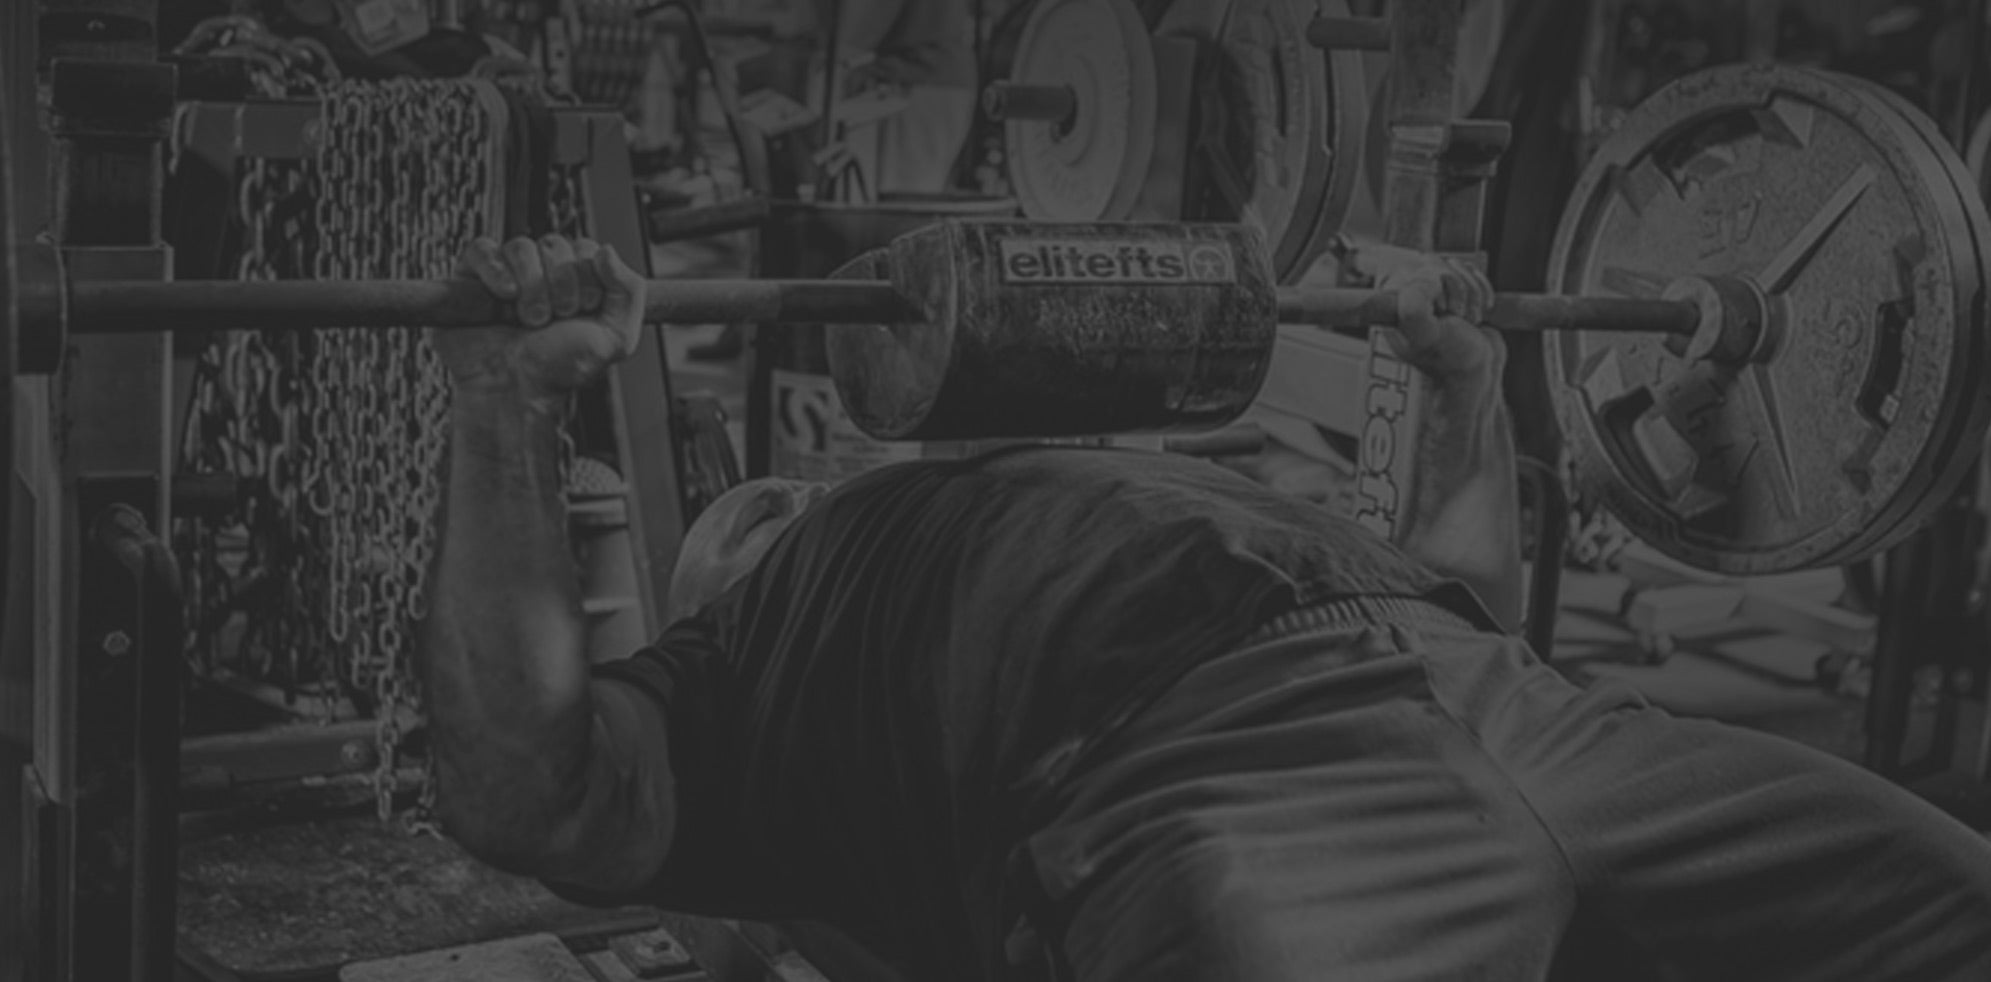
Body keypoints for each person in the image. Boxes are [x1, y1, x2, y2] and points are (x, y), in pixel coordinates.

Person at [421, 233, 1991, 981]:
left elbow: (1474, 598)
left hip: (1507, 707)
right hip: (1216, 780)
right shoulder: (762, 675)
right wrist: (505, 407)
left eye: (768, 496)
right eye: (739, 520)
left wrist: (1458, 381)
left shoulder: (1110, 488)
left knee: (1949, 901)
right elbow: (526, 788)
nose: (767, 501)